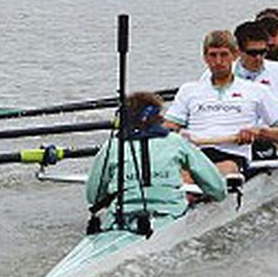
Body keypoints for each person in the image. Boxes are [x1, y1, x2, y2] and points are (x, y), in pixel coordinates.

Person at [164, 29, 278, 176]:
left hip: (232, 157)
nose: (218, 61)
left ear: (235, 56)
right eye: (213, 55)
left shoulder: (256, 91)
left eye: (224, 55)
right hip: (195, 155)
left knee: (206, 174)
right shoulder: (189, 90)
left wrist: (261, 132)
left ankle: (190, 191)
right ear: (205, 58)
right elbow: (168, 126)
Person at [86, 92, 227, 230]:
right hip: (170, 214)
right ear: (158, 117)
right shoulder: (176, 142)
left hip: (121, 216)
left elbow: (94, 197)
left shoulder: (111, 147)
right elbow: (218, 189)